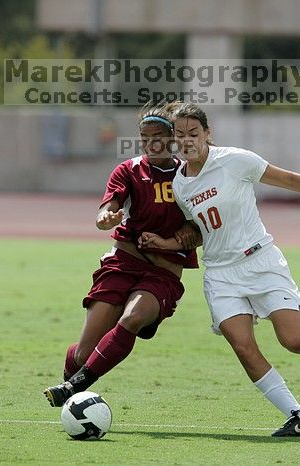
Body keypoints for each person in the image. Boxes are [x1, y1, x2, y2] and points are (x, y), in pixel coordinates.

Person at [139, 102, 300, 437]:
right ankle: (298, 417)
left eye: (194, 133)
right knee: (243, 345)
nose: (187, 140)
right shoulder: (180, 184)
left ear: (208, 134)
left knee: (295, 342)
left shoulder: (236, 160)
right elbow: (200, 231)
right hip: (221, 274)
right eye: (180, 135)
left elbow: (289, 179)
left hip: (260, 262)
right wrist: (165, 244)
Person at [43, 103, 200, 407]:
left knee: (132, 317)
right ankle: (73, 383)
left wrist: (168, 243)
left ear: (173, 138)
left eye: (159, 136)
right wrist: (106, 217)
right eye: (145, 136)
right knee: (82, 355)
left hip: (163, 273)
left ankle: (72, 389)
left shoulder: (190, 174)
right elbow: (110, 205)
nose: (152, 142)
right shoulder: (128, 170)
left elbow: (198, 230)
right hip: (122, 263)